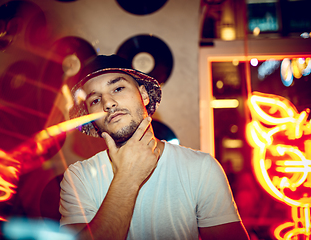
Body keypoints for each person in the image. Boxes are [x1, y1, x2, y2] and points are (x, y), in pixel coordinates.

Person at [59, 54, 250, 240]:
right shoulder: (78, 178)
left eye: (117, 88)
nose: (108, 103)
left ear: (143, 95)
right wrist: (127, 178)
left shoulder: (200, 167)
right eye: (95, 100)